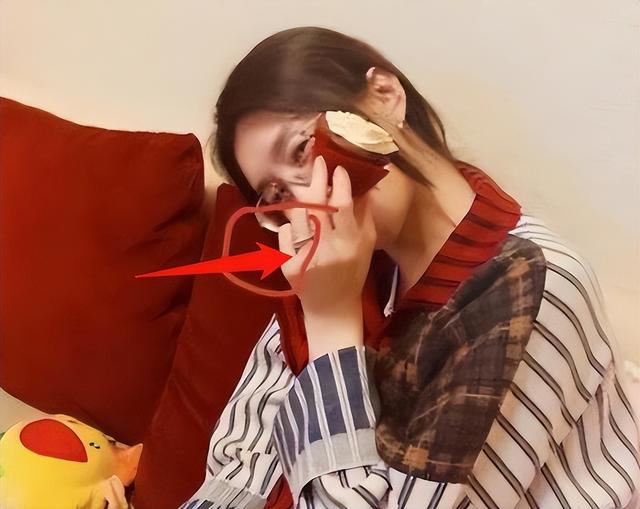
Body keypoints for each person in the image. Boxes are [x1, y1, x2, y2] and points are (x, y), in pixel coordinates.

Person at [179, 27, 640, 509]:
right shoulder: (345, 261)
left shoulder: (530, 282)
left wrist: (332, 323)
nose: (306, 200)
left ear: (384, 97)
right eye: (277, 195)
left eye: (301, 150)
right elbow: (241, 460)